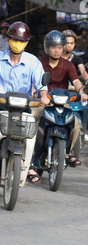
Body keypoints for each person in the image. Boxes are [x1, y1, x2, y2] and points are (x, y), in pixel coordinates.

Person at [0, 21, 49, 183]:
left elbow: (41, 83)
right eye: (15, 39)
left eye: (22, 41)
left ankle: (29, 164)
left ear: (27, 42)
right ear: (8, 39)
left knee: (32, 131)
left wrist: (44, 96)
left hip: (23, 106)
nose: (18, 44)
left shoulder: (32, 61)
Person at [39, 30, 88, 167]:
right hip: (44, 101)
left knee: (76, 122)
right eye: (53, 47)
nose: (56, 50)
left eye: (59, 47)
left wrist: (81, 91)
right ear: (47, 47)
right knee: (33, 120)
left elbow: (76, 81)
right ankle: (31, 154)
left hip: (62, 102)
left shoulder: (69, 65)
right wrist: (34, 92)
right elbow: (34, 81)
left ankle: (69, 152)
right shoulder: (40, 62)